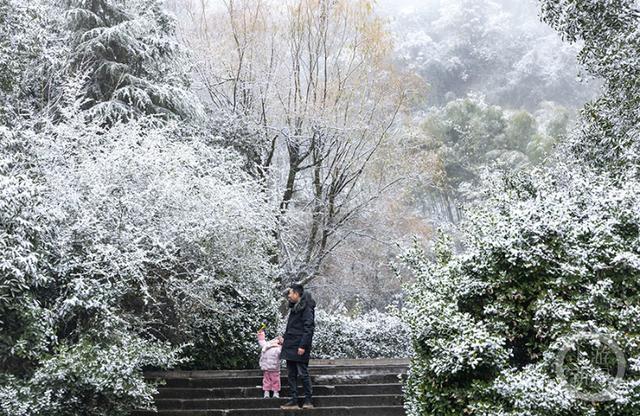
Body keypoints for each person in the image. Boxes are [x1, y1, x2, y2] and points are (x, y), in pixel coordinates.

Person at [280, 283, 316, 410]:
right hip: (290, 345)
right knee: (291, 374)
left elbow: (309, 328)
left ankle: (308, 400)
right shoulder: (295, 307)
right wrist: (284, 339)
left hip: (299, 346)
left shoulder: (306, 308)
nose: (288, 296)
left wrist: (303, 345)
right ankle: (293, 400)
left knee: (303, 373)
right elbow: (292, 327)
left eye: (290, 293)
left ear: (296, 293)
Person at [257, 330, 283, 399]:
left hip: (271, 368)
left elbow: (261, 341)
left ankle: (273, 392)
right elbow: (262, 341)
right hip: (270, 367)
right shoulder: (268, 346)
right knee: (270, 380)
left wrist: (261, 335)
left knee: (272, 380)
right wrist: (261, 334)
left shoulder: (274, 347)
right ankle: (269, 392)